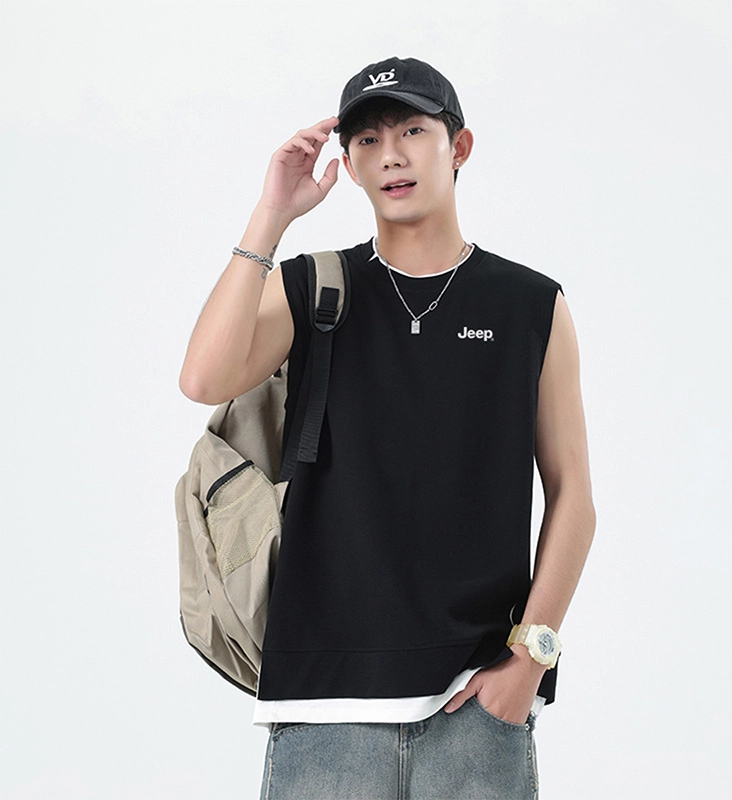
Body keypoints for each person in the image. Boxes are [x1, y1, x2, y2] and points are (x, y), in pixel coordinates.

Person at [180, 56, 595, 800]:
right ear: (349, 164)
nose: (391, 155)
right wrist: (271, 214)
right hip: (322, 710)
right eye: (367, 141)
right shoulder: (314, 288)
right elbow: (203, 380)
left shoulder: (530, 304)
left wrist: (529, 661)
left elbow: (573, 498)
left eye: (411, 131)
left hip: (476, 706)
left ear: (458, 146)